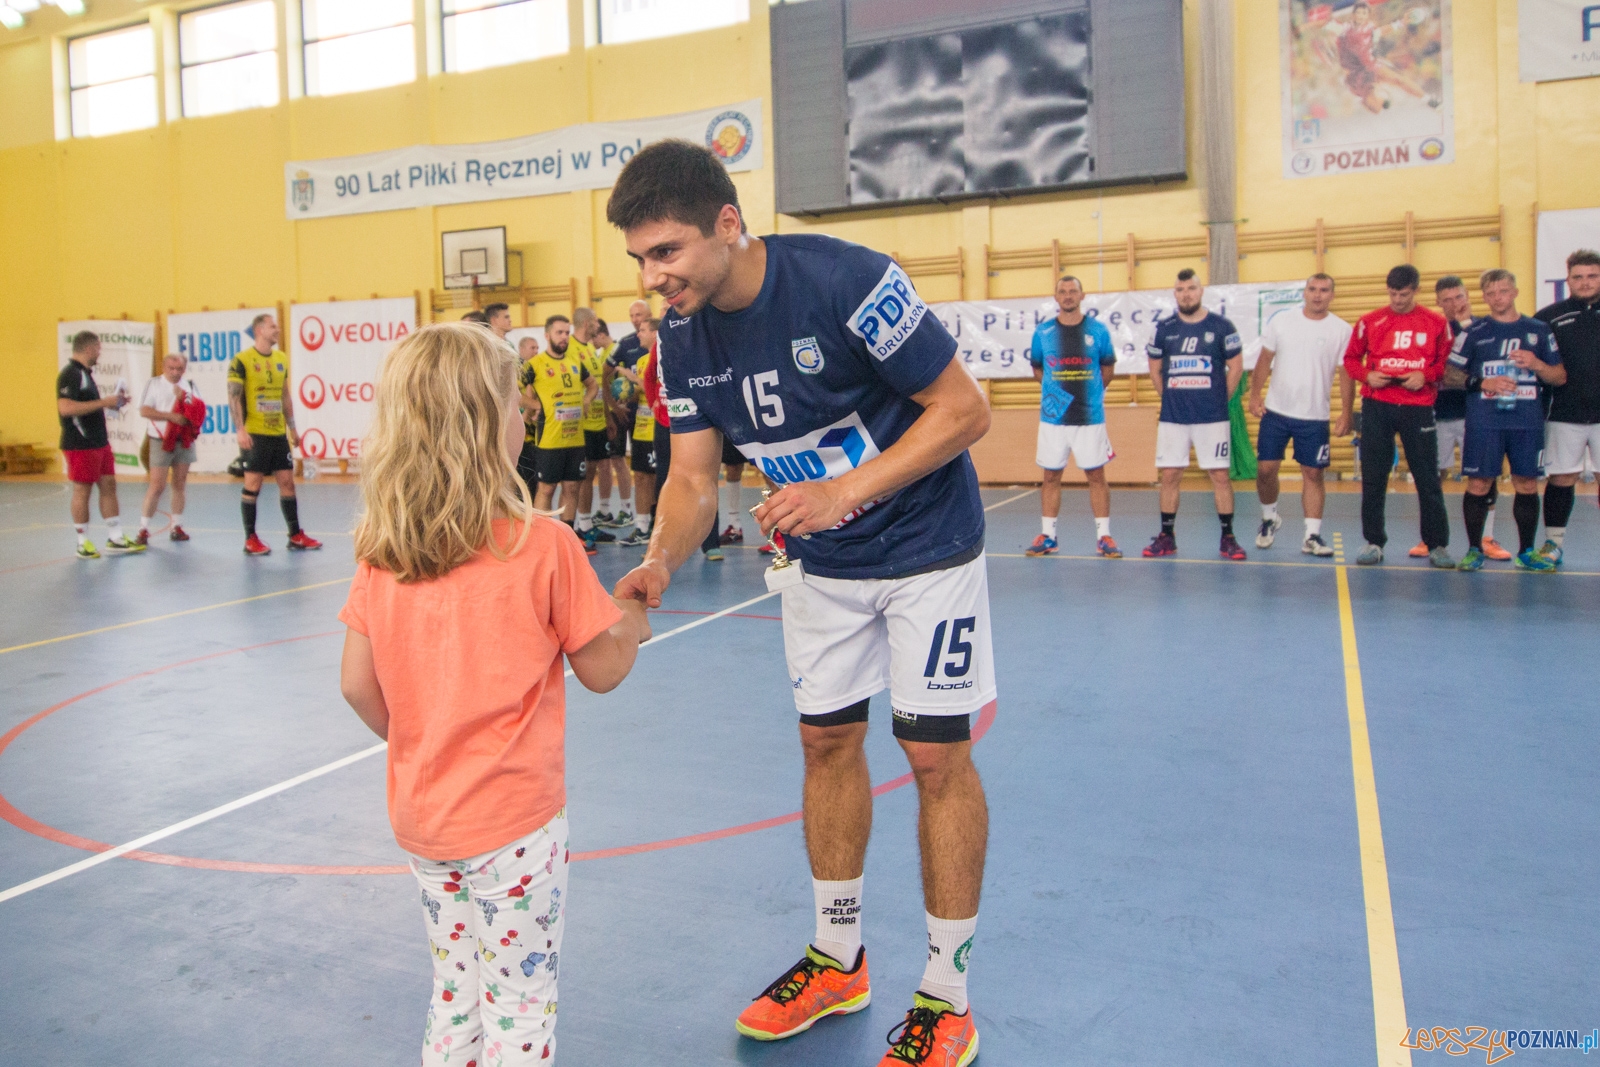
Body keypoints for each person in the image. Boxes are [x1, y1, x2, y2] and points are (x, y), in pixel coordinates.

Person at [608, 139, 993, 1066]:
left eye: (667, 252)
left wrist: (844, 491)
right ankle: (839, 955)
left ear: (727, 225)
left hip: (927, 549)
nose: (656, 277)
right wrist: (660, 561)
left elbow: (964, 410)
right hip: (822, 567)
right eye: (640, 260)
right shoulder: (683, 339)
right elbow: (695, 479)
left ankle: (948, 991)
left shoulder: (849, 283)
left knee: (935, 755)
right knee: (826, 742)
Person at [338, 321, 649, 1067]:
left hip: (425, 816)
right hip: (513, 823)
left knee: (456, 991)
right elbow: (601, 668)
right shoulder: (541, 544)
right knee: (519, 1005)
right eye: (517, 404)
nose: (528, 415)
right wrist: (632, 621)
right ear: (485, 425)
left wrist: (424, 739)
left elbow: (356, 683)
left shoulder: (383, 548)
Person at [1449, 270, 1565, 572]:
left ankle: (1526, 552)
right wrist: (1480, 383)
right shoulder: (1473, 331)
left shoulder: (1538, 330)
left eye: (1502, 291)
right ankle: (1475, 549)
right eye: (1490, 293)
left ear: (1514, 292)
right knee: (1479, 482)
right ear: (1484, 297)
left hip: (1526, 421)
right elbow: (1449, 374)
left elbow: (1559, 376)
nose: (1497, 297)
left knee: (1526, 483)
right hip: (1485, 420)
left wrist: (1537, 364)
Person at [1343, 264, 1454, 567]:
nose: (1397, 300)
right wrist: (1367, 375)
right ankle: (1373, 542)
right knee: (1374, 475)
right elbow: (1351, 359)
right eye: (1392, 293)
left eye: (1403, 294)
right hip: (1377, 405)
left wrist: (1426, 375)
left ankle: (1437, 545)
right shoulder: (1370, 321)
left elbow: (1444, 366)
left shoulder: (1435, 322)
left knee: (1427, 477)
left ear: (1416, 290)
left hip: (1417, 407)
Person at [1143, 269, 1248, 560]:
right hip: (1174, 417)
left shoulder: (1222, 326)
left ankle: (1228, 538)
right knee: (1170, 475)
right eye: (1180, 289)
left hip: (1211, 417)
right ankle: (1167, 536)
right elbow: (1154, 369)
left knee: (1219, 475)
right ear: (1174, 293)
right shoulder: (1163, 328)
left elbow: (1236, 367)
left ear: (1201, 291)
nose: (1186, 294)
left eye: (1191, 288)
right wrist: (1170, 398)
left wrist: (1218, 399)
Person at [1247, 273, 1352, 557]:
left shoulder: (1342, 330)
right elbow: (1264, 360)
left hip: (1315, 415)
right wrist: (1255, 395)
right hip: (1276, 411)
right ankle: (1269, 519)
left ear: (1332, 294)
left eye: (1324, 290)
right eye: (1312, 289)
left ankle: (1312, 535)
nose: (1317, 295)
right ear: (1304, 292)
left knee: (1313, 473)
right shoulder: (1282, 321)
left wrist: (1346, 412)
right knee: (1266, 470)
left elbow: (1347, 374)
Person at [1026, 274, 1121, 558]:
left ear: (1082, 296)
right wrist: (1055, 394)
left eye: (1073, 291)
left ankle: (1104, 537)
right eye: (1062, 291)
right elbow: (1038, 369)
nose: (1068, 295)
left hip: (1089, 417)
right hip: (1054, 418)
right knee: (1051, 476)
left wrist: (1090, 393)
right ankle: (1048, 536)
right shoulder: (1043, 333)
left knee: (1096, 476)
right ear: (1056, 297)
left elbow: (1107, 368)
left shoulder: (1098, 331)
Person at [1416, 277, 1510, 559]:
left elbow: (1484, 366)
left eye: (1458, 297)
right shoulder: (1432, 328)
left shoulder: (1483, 328)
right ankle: (1429, 538)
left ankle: (1487, 538)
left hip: (1476, 413)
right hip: (1438, 412)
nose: (1454, 304)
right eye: (1447, 299)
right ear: (1437, 302)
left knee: (1486, 475)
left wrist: (1467, 324)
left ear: (1468, 297)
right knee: (1432, 476)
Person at [230, 313, 322, 556]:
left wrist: (292, 427)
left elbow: (284, 396)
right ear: (259, 329)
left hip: (277, 433)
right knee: (253, 484)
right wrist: (240, 429)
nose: (277, 330)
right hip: (255, 433)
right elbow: (234, 396)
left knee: (287, 483)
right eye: (272, 326)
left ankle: (295, 535)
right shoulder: (242, 360)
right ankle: (250, 539)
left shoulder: (281, 358)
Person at [1534, 248, 1600, 565]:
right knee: (1561, 478)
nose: (1585, 282)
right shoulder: (1548, 317)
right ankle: (1553, 544)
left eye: (1592, 275)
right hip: (1564, 414)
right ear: (1568, 279)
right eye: (1579, 277)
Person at [639, 319, 725, 561]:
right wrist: (653, 403)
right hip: (665, 422)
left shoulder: (703, 341)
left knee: (705, 479)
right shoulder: (662, 342)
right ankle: (660, 544)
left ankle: (711, 543)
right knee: (664, 479)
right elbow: (649, 376)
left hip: (698, 422)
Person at [56, 330, 144, 558]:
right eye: (97, 348)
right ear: (88, 349)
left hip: (99, 442)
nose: (99, 353)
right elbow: (65, 408)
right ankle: (82, 542)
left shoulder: (86, 374)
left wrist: (112, 404)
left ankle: (115, 538)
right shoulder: (70, 374)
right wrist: (104, 401)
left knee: (109, 486)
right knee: (82, 491)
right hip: (80, 443)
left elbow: (89, 405)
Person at [521, 315, 599, 541]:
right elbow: (512, 392)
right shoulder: (535, 364)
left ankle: (568, 536)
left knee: (572, 487)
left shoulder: (575, 361)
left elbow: (592, 384)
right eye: (559, 332)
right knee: (546, 489)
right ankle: (540, 538)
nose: (564, 337)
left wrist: (586, 401)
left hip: (575, 439)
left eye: (567, 332)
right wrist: (538, 406)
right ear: (547, 335)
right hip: (549, 440)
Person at [136, 352, 201, 544]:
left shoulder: (189, 386)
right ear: (164, 367)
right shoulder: (154, 384)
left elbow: (198, 408)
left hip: (184, 440)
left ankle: (176, 526)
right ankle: (143, 528)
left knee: (179, 484)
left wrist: (189, 414)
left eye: (179, 369)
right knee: (157, 485)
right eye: (171, 369)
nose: (175, 373)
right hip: (161, 440)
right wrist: (170, 416)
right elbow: (144, 411)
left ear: (184, 368)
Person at [569, 308, 616, 546]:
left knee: (593, 473)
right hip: (581, 424)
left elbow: (597, 386)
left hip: (598, 421)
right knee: (582, 476)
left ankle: (586, 524)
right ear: (587, 323)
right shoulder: (570, 349)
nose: (599, 324)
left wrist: (607, 417)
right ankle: (579, 525)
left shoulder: (590, 349)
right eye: (596, 321)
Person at [616, 320, 657, 547]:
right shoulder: (641, 361)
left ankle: (661, 528)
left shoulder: (664, 356)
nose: (638, 334)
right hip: (640, 428)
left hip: (659, 429)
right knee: (641, 477)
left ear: (655, 333)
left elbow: (653, 387)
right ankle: (641, 527)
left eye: (642, 330)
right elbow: (640, 393)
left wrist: (631, 379)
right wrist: (625, 393)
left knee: (662, 480)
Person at [590, 321, 630, 529]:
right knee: (605, 463)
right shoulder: (600, 355)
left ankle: (626, 509)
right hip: (604, 414)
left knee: (618, 460)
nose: (591, 341)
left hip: (615, 413)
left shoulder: (615, 351)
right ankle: (605, 509)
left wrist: (617, 405)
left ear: (601, 335)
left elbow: (622, 382)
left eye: (593, 337)